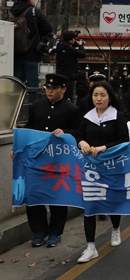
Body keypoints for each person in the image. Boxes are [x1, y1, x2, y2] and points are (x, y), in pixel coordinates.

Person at [18, 74, 82, 248]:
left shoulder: (71, 109)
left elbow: (79, 132)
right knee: (34, 196)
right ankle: (38, 231)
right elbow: (29, 128)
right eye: (47, 88)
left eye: (54, 88)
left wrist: (67, 133)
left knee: (57, 197)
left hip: (59, 161)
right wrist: (18, 148)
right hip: (38, 161)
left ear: (63, 89)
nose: (50, 91)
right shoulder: (37, 105)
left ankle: (55, 232)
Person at [76, 81, 129, 263]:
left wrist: (105, 147)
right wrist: (81, 141)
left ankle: (115, 229)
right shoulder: (87, 117)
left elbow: (124, 141)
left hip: (113, 167)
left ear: (110, 97)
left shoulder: (118, 116)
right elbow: (79, 134)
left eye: (103, 95)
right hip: (91, 169)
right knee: (90, 206)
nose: (99, 99)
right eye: (95, 95)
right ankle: (91, 246)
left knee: (111, 200)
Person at [11, 0, 53, 91]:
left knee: (16, 87)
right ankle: (33, 107)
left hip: (14, 55)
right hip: (32, 55)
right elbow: (48, 29)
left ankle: (18, 107)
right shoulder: (34, 12)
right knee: (33, 87)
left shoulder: (11, 12)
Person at [55, 31, 86, 101]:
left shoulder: (60, 47)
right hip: (69, 76)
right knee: (68, 96)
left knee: (62, 96)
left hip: (60, 75)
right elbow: (83, 54)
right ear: (72, 39)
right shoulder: (69, 49)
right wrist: (81, 45)